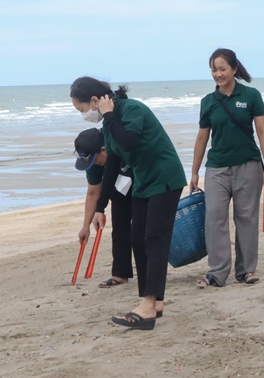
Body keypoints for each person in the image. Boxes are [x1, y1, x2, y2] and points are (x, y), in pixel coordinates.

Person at [70, 77, 187, 330]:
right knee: (137, 239)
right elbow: (112, 165)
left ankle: (148, 303)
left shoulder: (132, 109)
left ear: (95, 101)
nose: (83, 115)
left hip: (165, 177)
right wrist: (100, 208)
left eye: (81, 109)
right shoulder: (107, 124)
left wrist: (109, 116)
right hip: (144, 182)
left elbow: (129, 142)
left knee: (154, 239)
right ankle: (154, 303)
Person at [190, 49, 264, 288]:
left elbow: (262, 132)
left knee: (246, 218)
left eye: (222, 69)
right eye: (214, 70)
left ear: (234, 69)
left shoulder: (251, 96)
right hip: (216, 168)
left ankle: (246, 271)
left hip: (249, 165)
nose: (218, 74)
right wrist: (194, 172)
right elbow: (202, 138)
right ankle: (217, 273)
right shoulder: (208, 102)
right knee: (214, 217)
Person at [73, 127, 134, 288]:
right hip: (119, 187)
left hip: (142, 178)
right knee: (119, 227)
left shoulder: (120, 144)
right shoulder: (94, 162)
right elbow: (93, 193)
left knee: (143, 228)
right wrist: (85, 226)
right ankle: (120, 274)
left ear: (103, 149)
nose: (95, 164)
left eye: (95, 160)